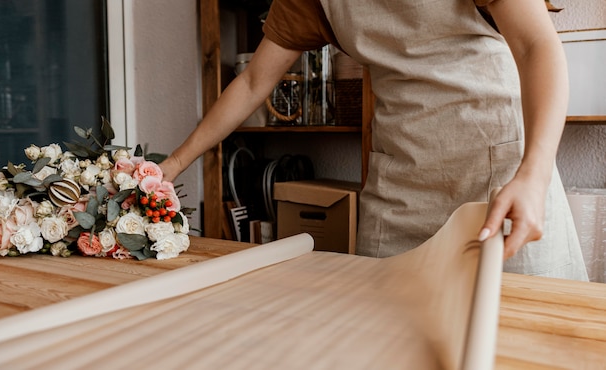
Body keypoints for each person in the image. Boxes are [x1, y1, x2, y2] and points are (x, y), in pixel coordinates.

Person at [160, 0, 588, 280]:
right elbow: (254, 81)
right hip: (401, 186)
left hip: (500, 174)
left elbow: (536, 46)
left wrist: (533, 174)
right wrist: (173, 165)